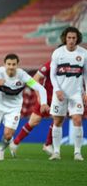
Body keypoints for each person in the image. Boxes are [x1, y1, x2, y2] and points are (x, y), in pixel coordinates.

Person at [0, 53, 49, 160]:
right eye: (9, 64)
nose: (11, 67)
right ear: (4, 64)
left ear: (17, 65)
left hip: (14, 108)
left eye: (13, 64)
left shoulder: (23, 76)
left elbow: (41, 88)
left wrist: (44, 103)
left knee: (8, 135)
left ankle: (1, 150)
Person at [49, 26, 86, 161]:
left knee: (77, 119)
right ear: (65, 38)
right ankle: (56, 152)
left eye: (74, 38)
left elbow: (86, 74)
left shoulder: (83, 54)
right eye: (69, 38)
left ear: (77, 39)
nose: (71, 40)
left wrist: (86, 91)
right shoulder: (58, 53)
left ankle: (77, 153)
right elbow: (52, 74)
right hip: (60, 93)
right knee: (58, 121)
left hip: (76, 93)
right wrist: (57, 89)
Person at [9, 61, 54, 157]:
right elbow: (35, 79)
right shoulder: (50, 64)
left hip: (60, 98)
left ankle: (48, 144)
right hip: (46, 97)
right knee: (34, 121)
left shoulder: (72, 66)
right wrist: (40, 96)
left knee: (58, 119)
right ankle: (15, 143)